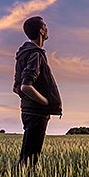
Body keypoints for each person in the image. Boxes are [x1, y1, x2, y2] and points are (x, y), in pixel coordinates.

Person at [13, 16, 62, 166]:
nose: (47, 29)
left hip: (28, 110)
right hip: (36, 112)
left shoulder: (23, 54)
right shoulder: (35, 54)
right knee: (31, 157)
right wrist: (45, 102)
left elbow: (16, 87)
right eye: (45, 26)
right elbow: (25, 86)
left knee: (27, 154)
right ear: (41, 30)